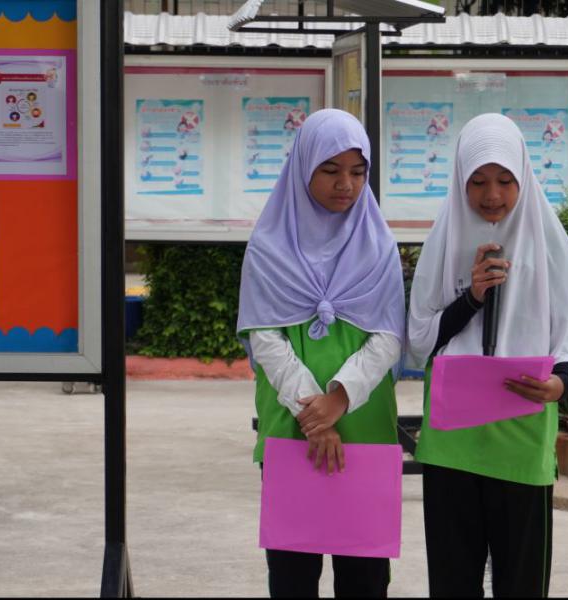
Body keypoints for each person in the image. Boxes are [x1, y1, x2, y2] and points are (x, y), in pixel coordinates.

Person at [407, 113, 568, 598]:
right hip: (453, 440)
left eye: (505, 181)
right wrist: (472, 296)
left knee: (522, 579)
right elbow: (420, 338)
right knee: (453, 580)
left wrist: (559, 384)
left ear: (523, 177)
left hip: (521, 433)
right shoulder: (444, 241)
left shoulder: (549, 243)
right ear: (461, 181)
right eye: (478, 181)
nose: (492, 195)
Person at [237, 108, 405, 598]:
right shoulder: (269, 247)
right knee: (292, 574)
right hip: (292, 429)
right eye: (330, 170)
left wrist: (340, 398)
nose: (345, 184)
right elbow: (265, 337)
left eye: (357, 171)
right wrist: (314, 414)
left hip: (365, 429)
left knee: (365, 579)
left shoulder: (378, 246)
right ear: (303, 167)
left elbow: (389, 336)